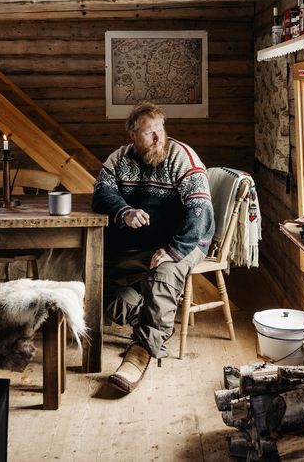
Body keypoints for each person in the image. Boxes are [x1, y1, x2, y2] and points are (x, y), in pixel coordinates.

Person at [92, 101, 214, 393]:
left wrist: (173, 250)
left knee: (163, 273)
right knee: (95, 278)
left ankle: (140, 354)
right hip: (138, 245)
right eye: (149, 133)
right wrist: (124, 211)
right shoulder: (120, 158)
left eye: (160, 129)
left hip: (186, 241)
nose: (159, 138)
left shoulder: (181, 157)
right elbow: (101, 193)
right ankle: (155, 321)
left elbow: (200, 212)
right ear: (133, 135)